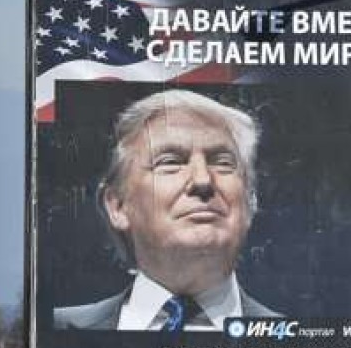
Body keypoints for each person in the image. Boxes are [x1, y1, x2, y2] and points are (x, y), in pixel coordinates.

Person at [54, 89, 280, 330]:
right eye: (171, 162)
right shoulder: (57, 329)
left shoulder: (303, 342)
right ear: (118, 205)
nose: (203, 180)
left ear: (250, 200)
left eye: (222, 163)